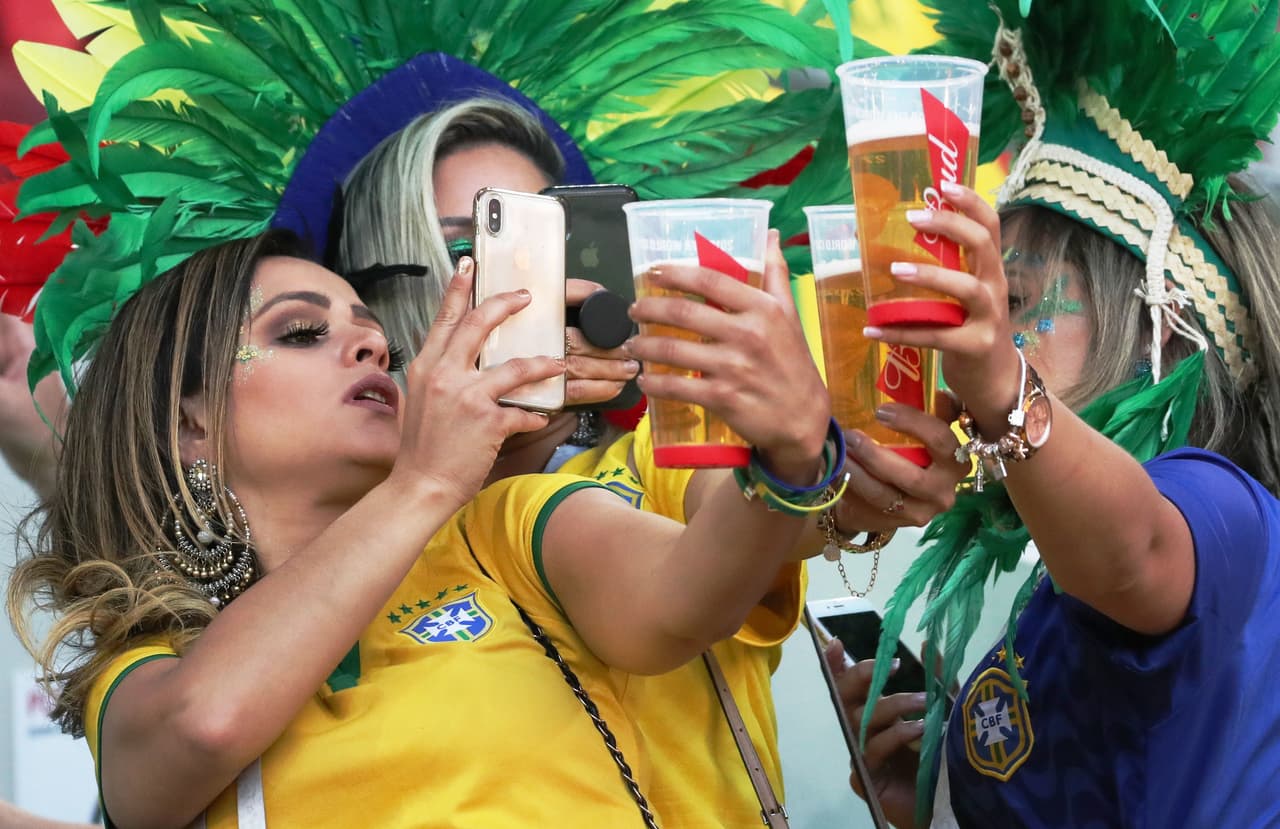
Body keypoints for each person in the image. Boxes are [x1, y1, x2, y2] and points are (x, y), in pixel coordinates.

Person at [7, 221, 854, 827]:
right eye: (301, 332)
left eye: (373, 332)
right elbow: (205, 724)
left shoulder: (495, 529)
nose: (372, 347)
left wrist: (785, 456)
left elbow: (685, 598)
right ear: (188, 425)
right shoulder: (153, 673)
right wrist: (423, 479)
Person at [334, 95, 970, 826]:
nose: (530, 286)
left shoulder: (661, 449)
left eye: (554, 247)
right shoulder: (350, 549)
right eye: (483, 244)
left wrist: (833, 460)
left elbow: (763, 510)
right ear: (384, 302)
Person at [831, 0, 1280, 825]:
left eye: (1019, 297)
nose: (986, 331)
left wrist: (1002, 388)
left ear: (1160, 321)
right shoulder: (1051, 591)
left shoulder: (1226, 508)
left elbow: (1136, 549)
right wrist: (938, 794)